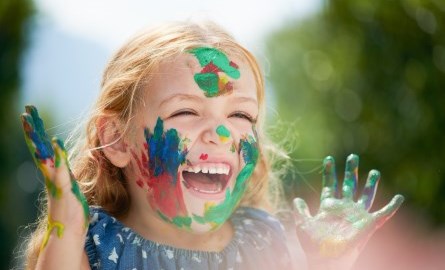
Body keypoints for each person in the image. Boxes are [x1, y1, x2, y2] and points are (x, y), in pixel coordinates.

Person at [20, 20, 404, 270]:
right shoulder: (96, 247)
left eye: (240, 116)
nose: (222, 135)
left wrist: (331, 262)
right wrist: (65, 229)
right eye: (186, 111)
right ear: (116, 140)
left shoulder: (263, 242)